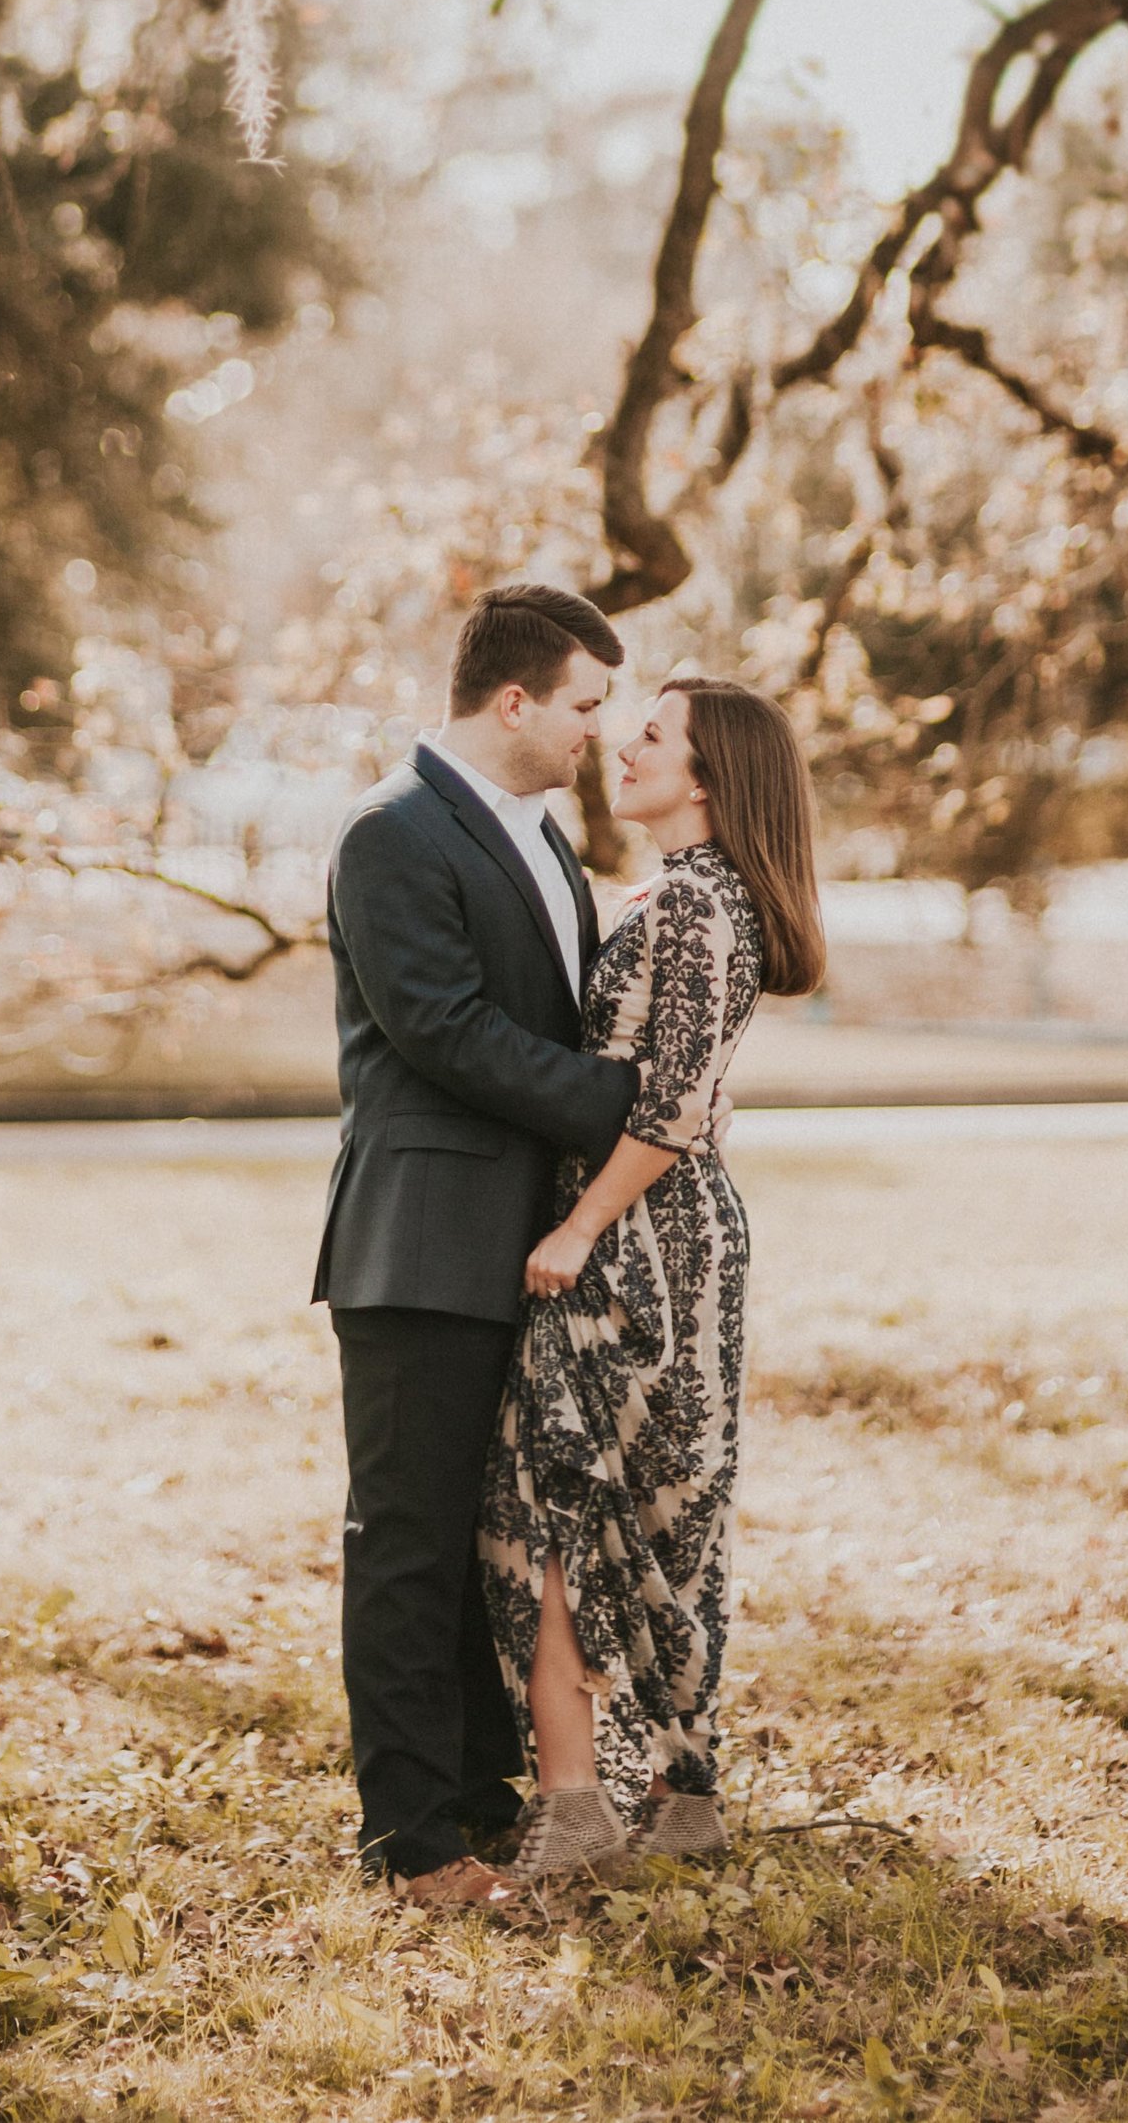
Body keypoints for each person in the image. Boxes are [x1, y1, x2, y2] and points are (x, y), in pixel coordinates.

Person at [313, 582, 639, 1910]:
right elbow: (444, 1029)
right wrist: (634, 1104)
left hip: (517, 1246)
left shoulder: (541, 835)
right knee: (407, 1537)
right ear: (514, 699)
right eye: (584, 703)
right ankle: (409, 1836)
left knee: (482, 1539)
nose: (597, 733)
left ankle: (475, 1787)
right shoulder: (392, 834)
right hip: (420, 1239)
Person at [478, 674, 826, 1877]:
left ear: (711, 776)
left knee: (567, 1505)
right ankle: (674, 1797)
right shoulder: (682, 896)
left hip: (643, 1245)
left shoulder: (695, 903)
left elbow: (672, 1103)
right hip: (662, 1231)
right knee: (638, 1511)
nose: (623, 744)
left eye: (654, 735)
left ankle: (590, 1809)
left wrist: (578, 1228)